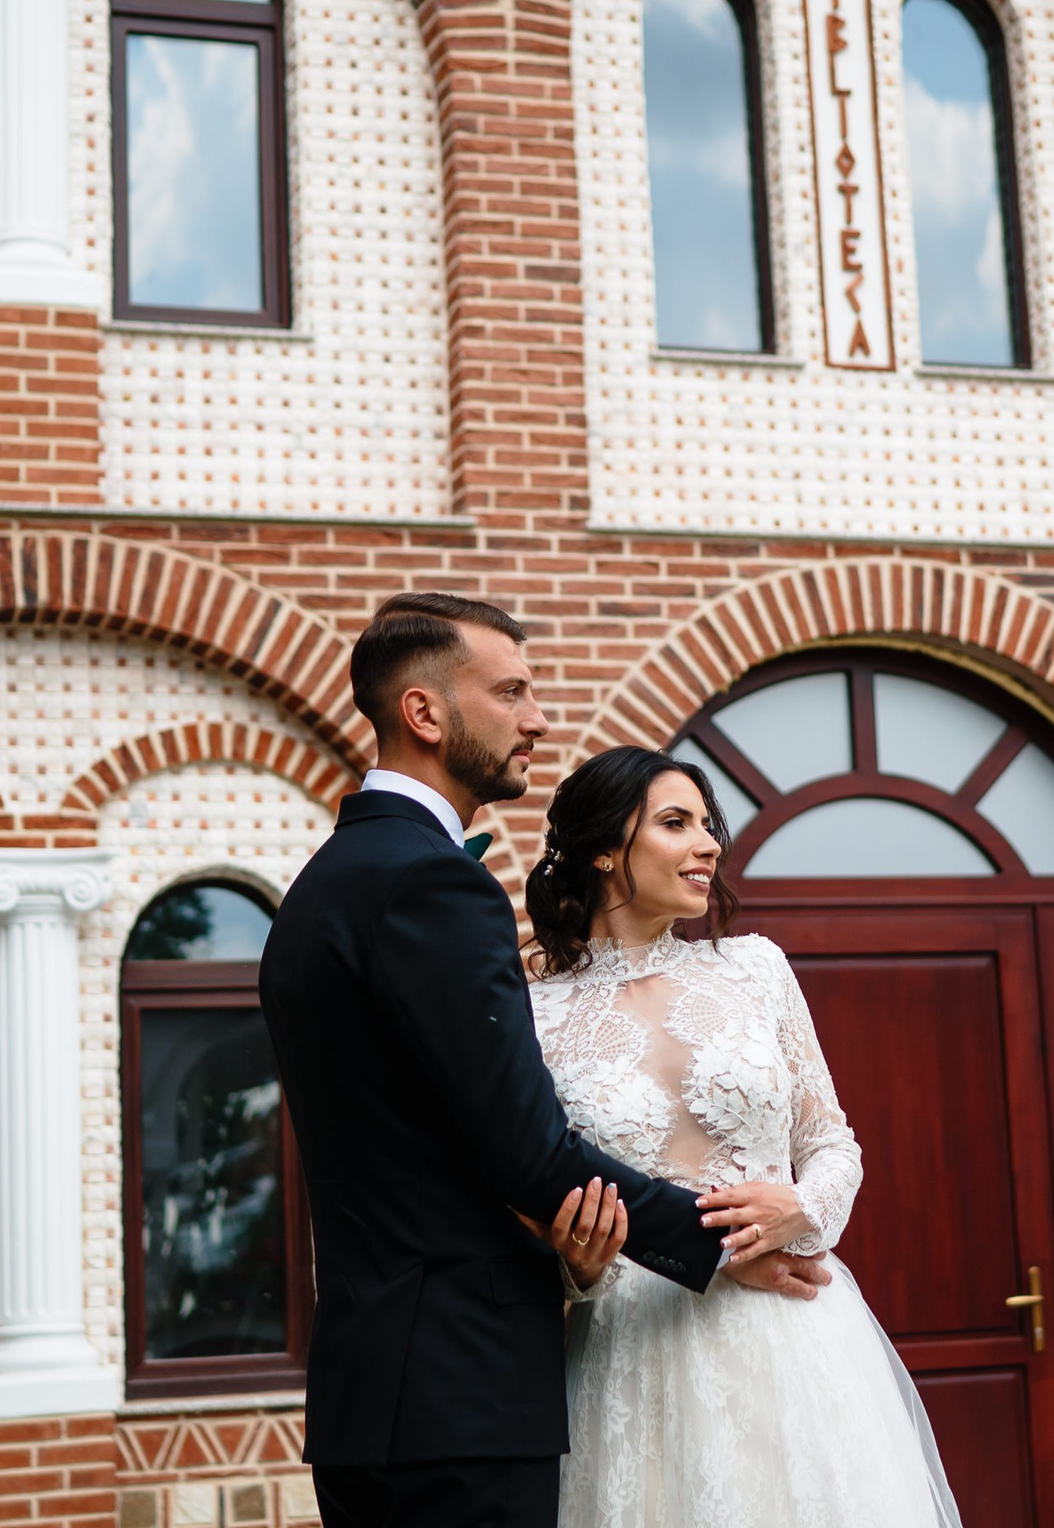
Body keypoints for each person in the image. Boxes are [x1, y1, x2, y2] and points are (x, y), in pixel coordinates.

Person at [260, 594, 829, 1528]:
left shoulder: (319, 890)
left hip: (373, 1390)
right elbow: (529, 1153)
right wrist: (724, 1244)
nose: (537, 718)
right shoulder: (432, 883)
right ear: (427, 713)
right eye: (512, 691)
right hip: (462, 1395)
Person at [524, 745, 963, 1527]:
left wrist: (804, 1209)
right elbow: (541, 1192)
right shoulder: (533, 1014)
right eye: (674, 822)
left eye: (708, 824)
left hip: (793, 1339)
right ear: (601, 849)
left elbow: (834, 1141)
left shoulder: (755, 969)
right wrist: (578, 1271)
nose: (709, 843)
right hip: (634, 1358)